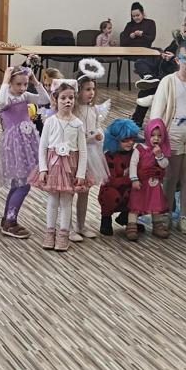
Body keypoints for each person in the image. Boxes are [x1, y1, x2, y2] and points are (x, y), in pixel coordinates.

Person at [149, 38, 186, 236]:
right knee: (171, 175)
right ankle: (165, 213)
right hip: (173, 130)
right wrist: (155, 137)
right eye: (185, 58)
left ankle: (183, 216)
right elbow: (157, 112)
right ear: (177, 60)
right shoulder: (168, 81)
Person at [30, 82, 89, 251]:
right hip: (53, 166)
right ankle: (50, 232)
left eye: (71, 98)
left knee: (67, 201)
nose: (67, 101)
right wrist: (43, 168)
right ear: (55, 100)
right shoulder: (50, 122)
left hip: (70, 166)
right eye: (63, 98)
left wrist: (81, 173)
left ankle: (64, 234)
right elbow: (43, 147)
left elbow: (83, 151)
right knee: (53, 200)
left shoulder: (78, 124)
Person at [0, 64, 50, 238]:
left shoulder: (25, 96)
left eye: (25, 84)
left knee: (19, 183)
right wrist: (5, 80)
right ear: (10, 83)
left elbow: (44, 99)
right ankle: (10, 221)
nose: (22, 88)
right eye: (18, 84)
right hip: (15, 145)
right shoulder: (7, 99)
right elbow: (0, 102)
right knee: (24, 184)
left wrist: (35, 81)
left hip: (28, 143)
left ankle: (8, 219)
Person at [72, 68, 107, 242]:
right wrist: (91, 136)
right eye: (87, 89)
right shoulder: (74, 110)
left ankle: (81, 225)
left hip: (91, 154)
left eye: (93, 89)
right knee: (69, 192)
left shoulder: (93, 110)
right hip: (75, 155)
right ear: (78, 90)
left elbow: (96, 127)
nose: (91, 92)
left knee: (85, 191)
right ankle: (66, 227)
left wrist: (99, 135)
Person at [124, 119, 171, 242]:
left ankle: (157, 225)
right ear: (147, 134)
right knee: (135, 205)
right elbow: (133, 164)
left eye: (159, 136)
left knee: (156, 204)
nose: (156, 138)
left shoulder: (160, 150)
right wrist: (134, 179)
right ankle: (131, 227)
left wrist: (159, 155)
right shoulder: (139, 148)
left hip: (154, 184)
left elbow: (164, 164)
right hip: (140, 183)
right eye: (153, 135)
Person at [98, 119, 141, 236]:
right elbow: (111, 181)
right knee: (110, 194)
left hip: (129, 190)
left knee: (145, 191)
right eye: (125, 140)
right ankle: (106, 219)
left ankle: (128, 218)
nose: (130, 142)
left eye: (132, 139)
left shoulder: (136, 154)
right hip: (112, 192)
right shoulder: (109, 156)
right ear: (114, 140)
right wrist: (131, 178)